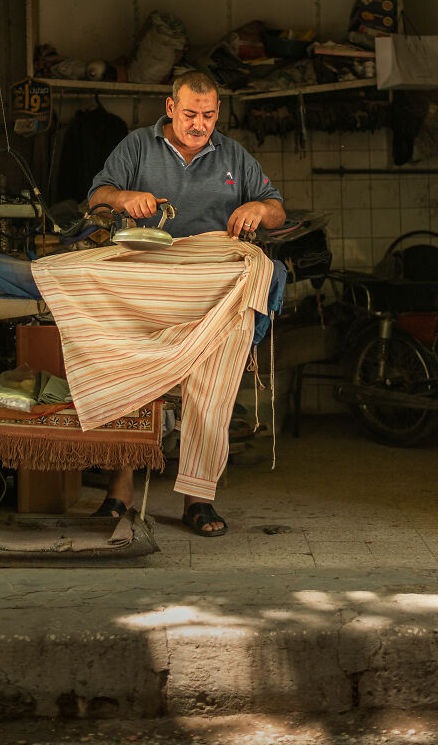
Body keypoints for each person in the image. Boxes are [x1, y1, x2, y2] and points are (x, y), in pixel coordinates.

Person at [87, 70, 286, 535]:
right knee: (131, 375)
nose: (200, 124)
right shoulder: (137, 145)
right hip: (149, 281)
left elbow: (277, 209)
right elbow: (96, 197)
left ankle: (198, 497)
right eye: (191, 114)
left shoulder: (233, 153)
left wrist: (259, 209)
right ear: (171, 108)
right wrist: (124, 198)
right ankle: (120, 490)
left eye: (210, 115)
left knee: (212, 383)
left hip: (210, 289)